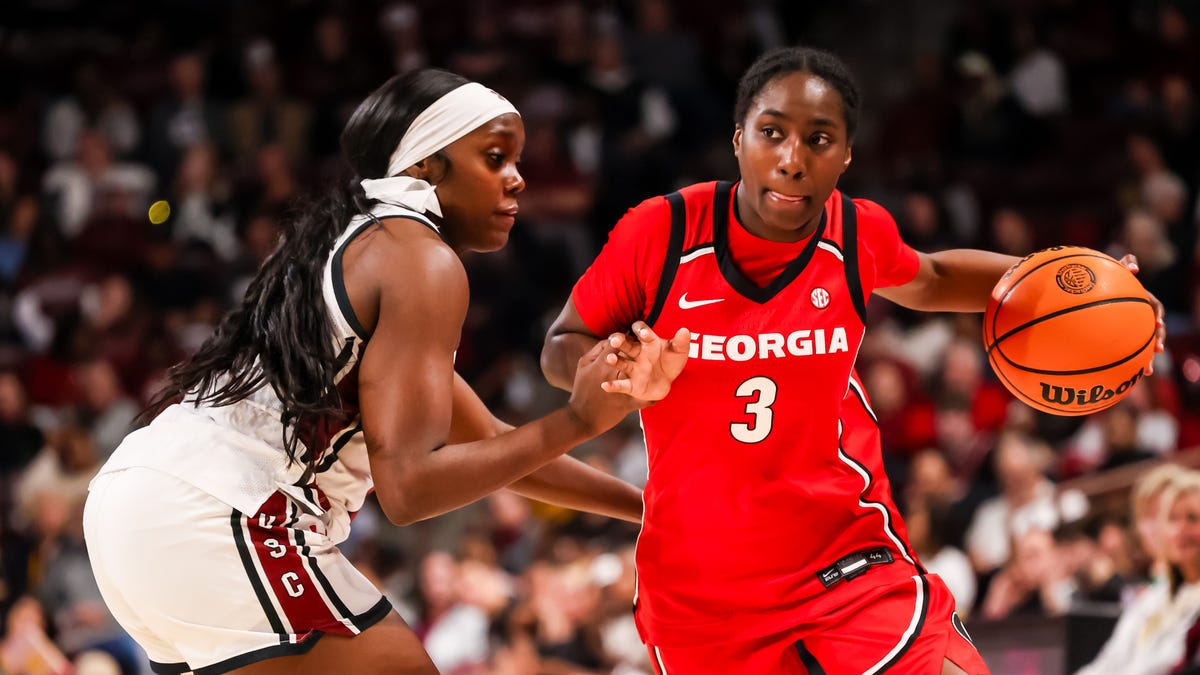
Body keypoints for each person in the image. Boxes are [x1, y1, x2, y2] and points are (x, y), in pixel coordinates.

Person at [542, 46, 1165, 675]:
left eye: (818, 139)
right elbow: (560, 346)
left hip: (843, 555)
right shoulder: (662, 233)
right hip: (700, 590)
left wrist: (1083, 290)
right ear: (738, 141)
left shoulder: (854, 233)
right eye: (772, 133)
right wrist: (617, 373)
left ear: (846, 155)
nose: (792, 160)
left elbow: (933, 277)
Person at [82, 69, 689, 675]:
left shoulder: (355, 241)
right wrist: (579, 419)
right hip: (221, 508)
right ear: (425, 167)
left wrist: (651, 510)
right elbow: (408, 491)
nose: (518, 178)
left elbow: (497, 445)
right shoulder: (419, 259)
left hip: (138, 503)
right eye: (495, 157)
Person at [1074, 470, 1200, 675]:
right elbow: (1108, 662)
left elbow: (1169, 663)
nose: (1180, 530)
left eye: (1192, 518)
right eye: (1172, 519)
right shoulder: (1154, 596)